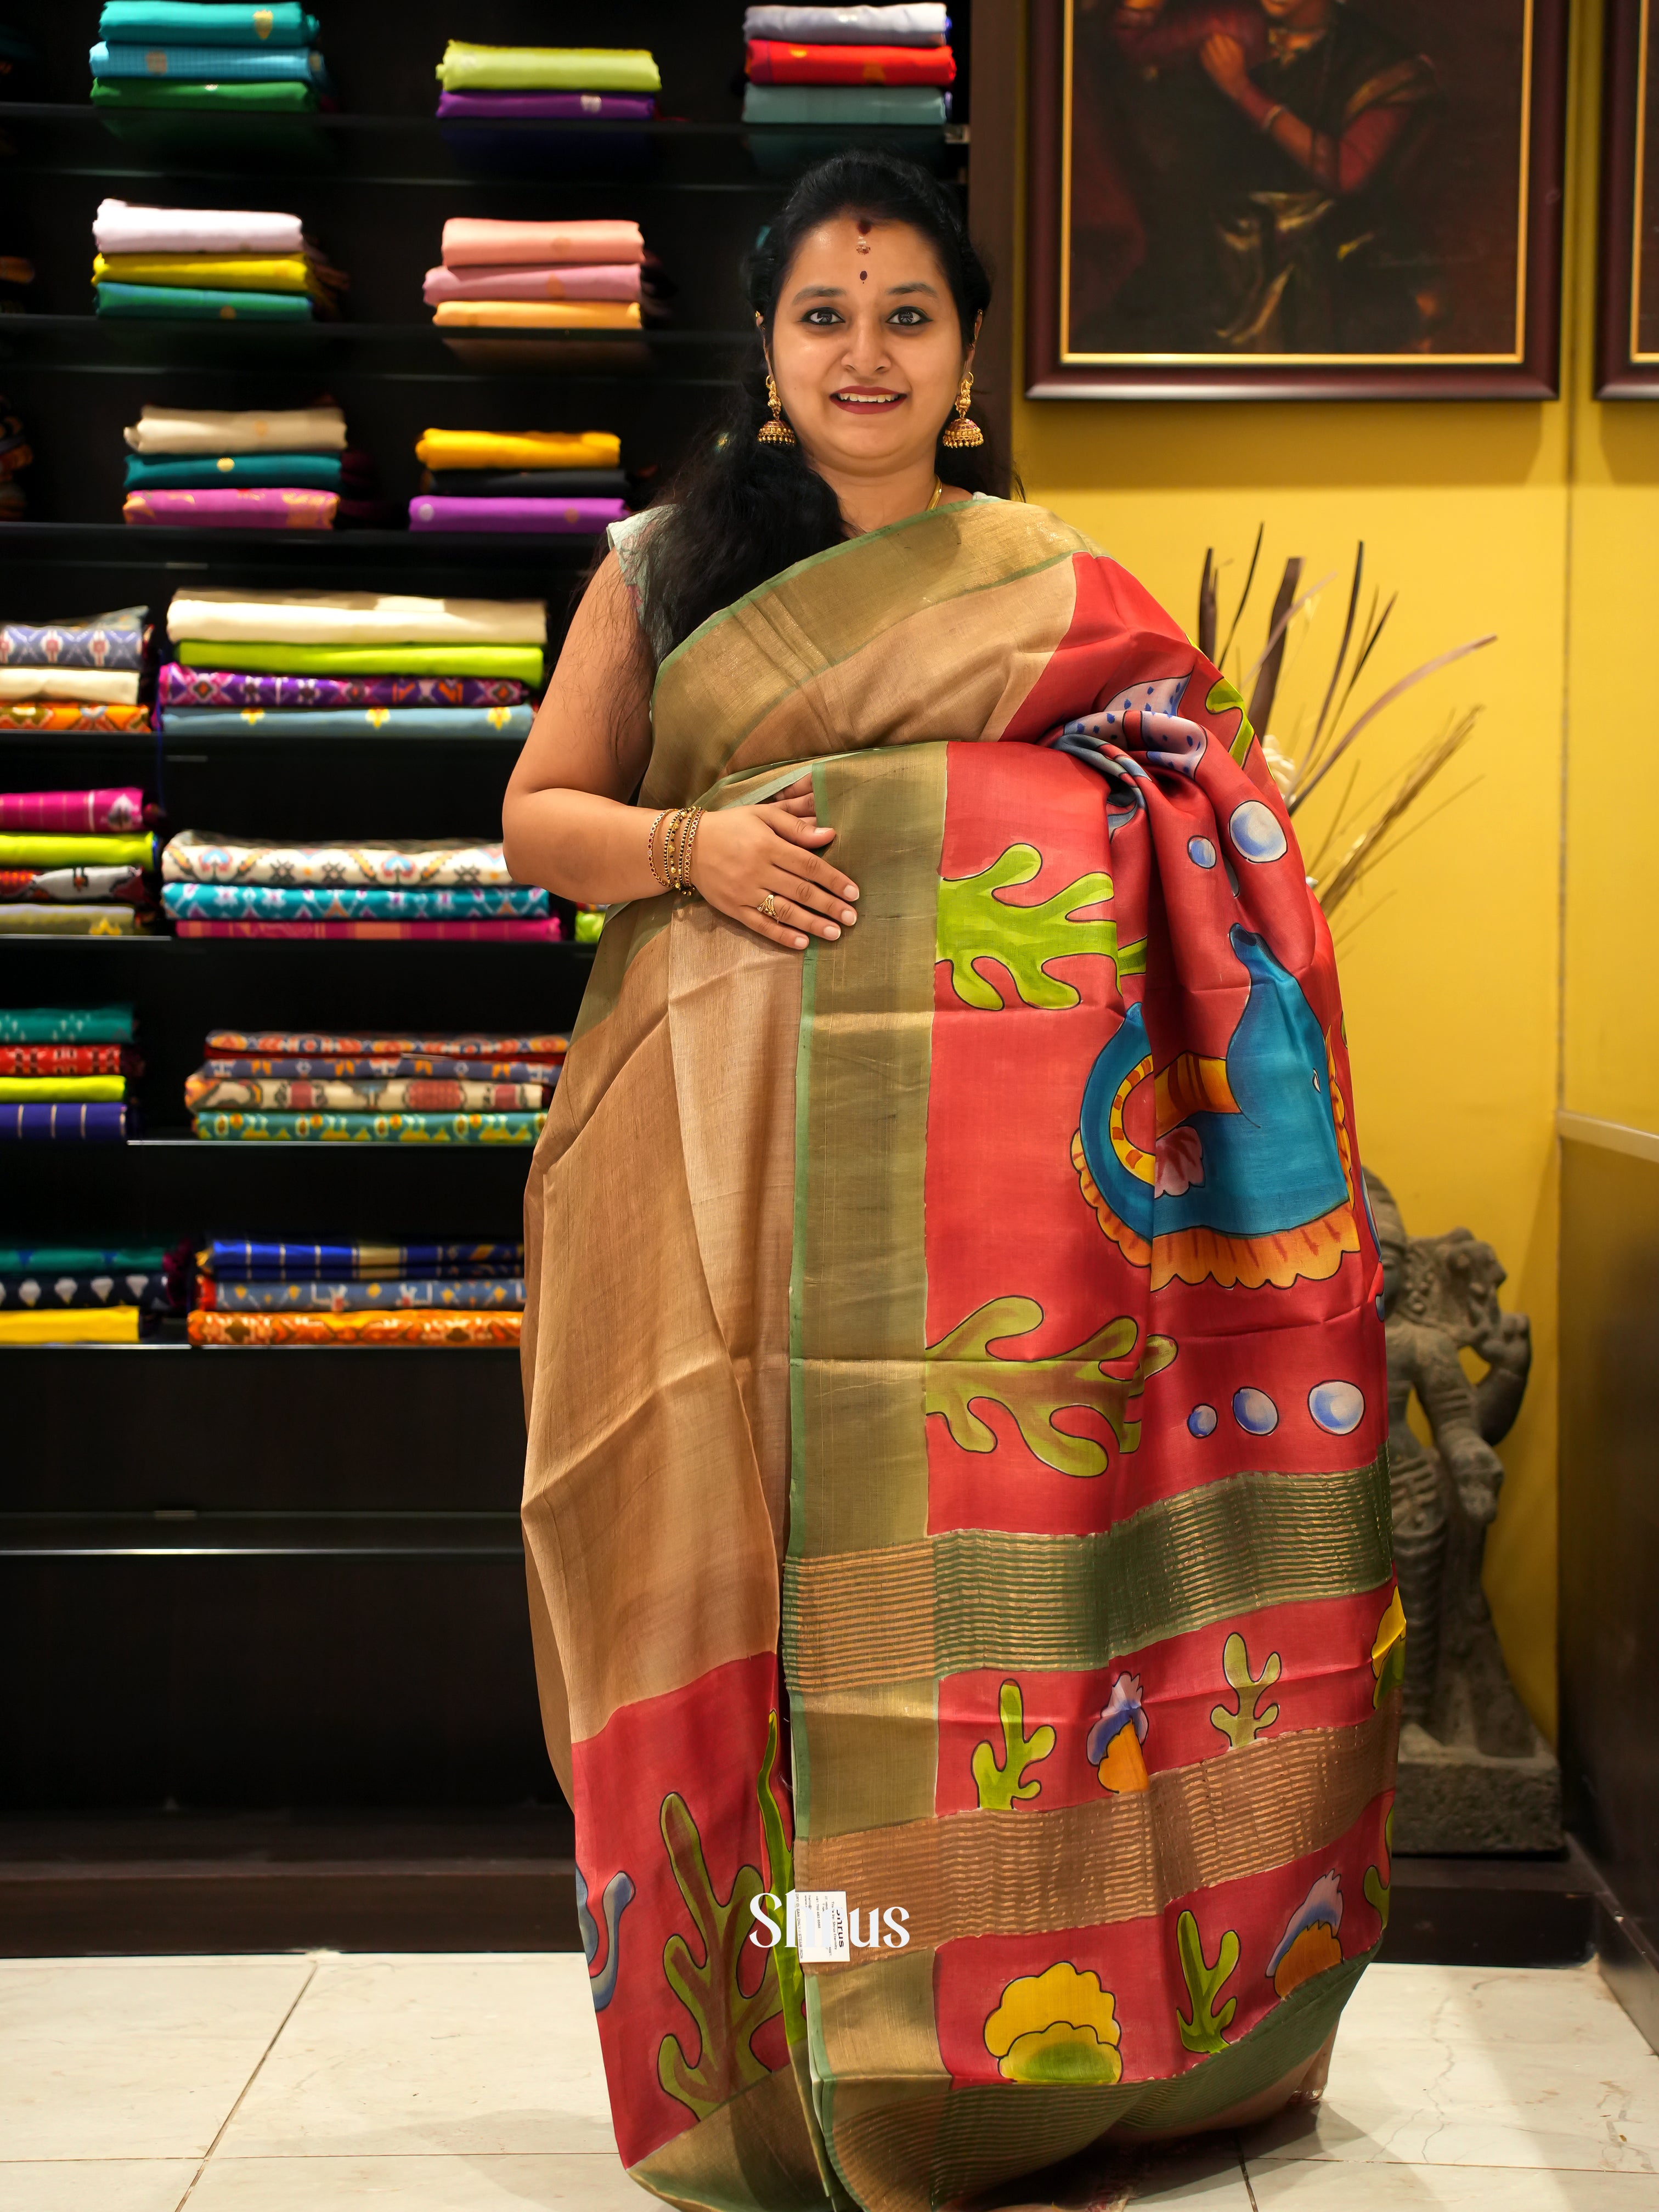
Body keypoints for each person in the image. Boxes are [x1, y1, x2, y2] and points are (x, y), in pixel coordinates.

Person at [504, 151, 1400, 2212]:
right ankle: (809, 2028)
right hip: (723, 1180)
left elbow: (1208, 798)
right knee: (747, 1598)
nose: (863, 352)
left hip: (1019, 1232)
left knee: (994, 1626)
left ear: (966, 355)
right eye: (822, 312)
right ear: (763, 349)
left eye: (904, 312)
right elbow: (539, 814)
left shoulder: (1050, 576)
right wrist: (693, 850)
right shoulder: (663, 568)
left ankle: (1002, 2059)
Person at [1101, 0, 1439, 352]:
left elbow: (1346, 172)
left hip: (1323, 251)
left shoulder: (1380, 61)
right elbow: (1133, 48)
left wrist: (1242, 92)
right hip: (1216, 245)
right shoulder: (1234, 26)